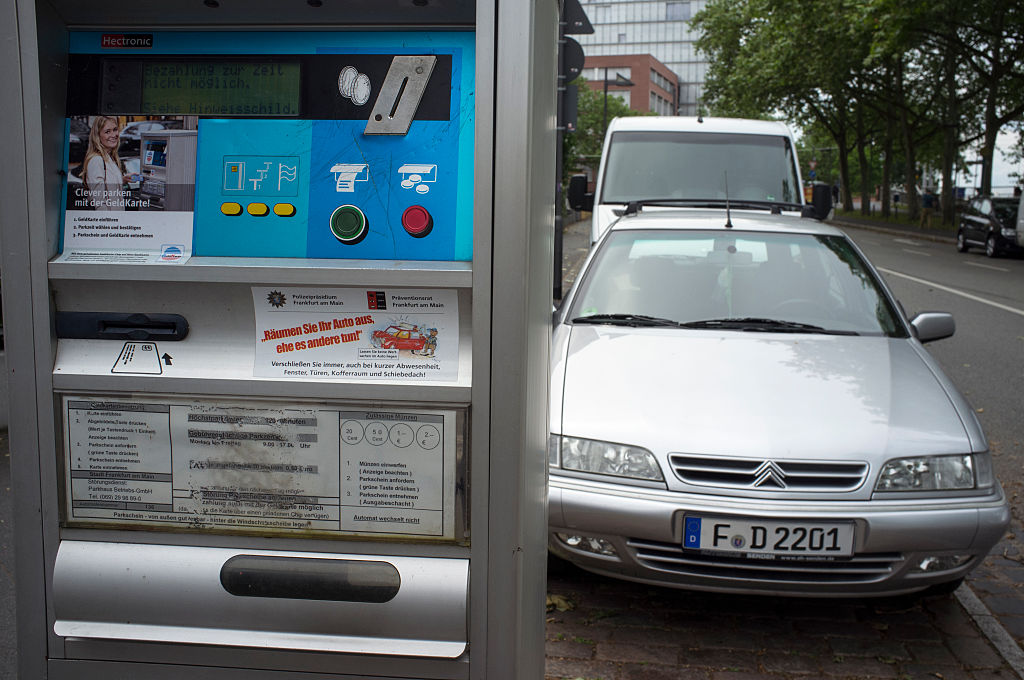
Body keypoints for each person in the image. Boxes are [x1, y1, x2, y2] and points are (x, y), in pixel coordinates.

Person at [82, 116, 130, 211]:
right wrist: (109, 224)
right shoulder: (97, 160)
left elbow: (106, 186)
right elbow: (99, 203)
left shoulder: (109, 157)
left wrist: (122, 180)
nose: (114, 135)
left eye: (115, 130)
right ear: (98, 136)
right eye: (107, 132)